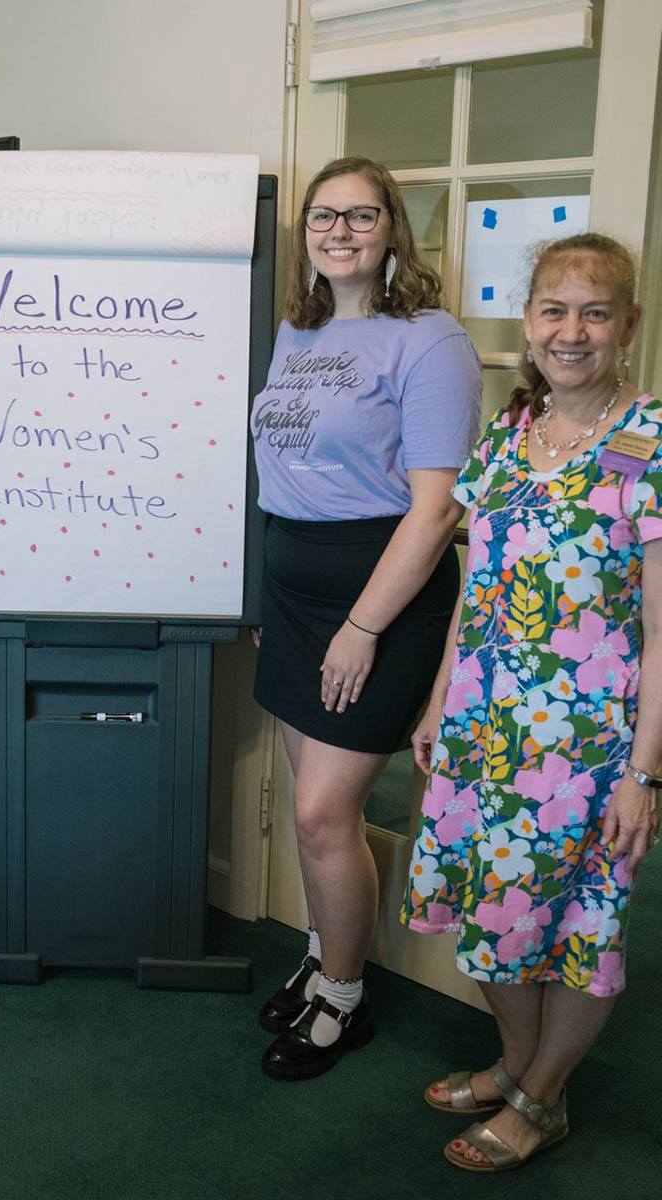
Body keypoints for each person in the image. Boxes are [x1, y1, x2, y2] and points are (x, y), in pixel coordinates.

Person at [402, 233, 657, 1170]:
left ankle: (541, 1100)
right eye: (555, 309)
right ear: (529, 322)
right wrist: (437, 705)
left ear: (627, 326)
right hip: (482, 724)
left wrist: (645, 773)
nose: (572, 331)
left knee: (579, 927)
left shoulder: (656, 442)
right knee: (490, 910)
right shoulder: (507, 441)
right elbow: (478, 589)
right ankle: (518, 1067)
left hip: (588, 748)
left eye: (595, 312)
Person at [249, 156, 481, 1080]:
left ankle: (345, 1001)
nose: (338, 231)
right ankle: (321, 956)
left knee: (318, 815)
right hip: (294, 592)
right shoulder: (293, 332)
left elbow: (437, 509)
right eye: (322, 216)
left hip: (378, 590)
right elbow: (283, 475)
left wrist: (363, 626)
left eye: (360, 215)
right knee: (320, 820)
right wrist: (270, 597)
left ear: (392, 228)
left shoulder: (429, 340)